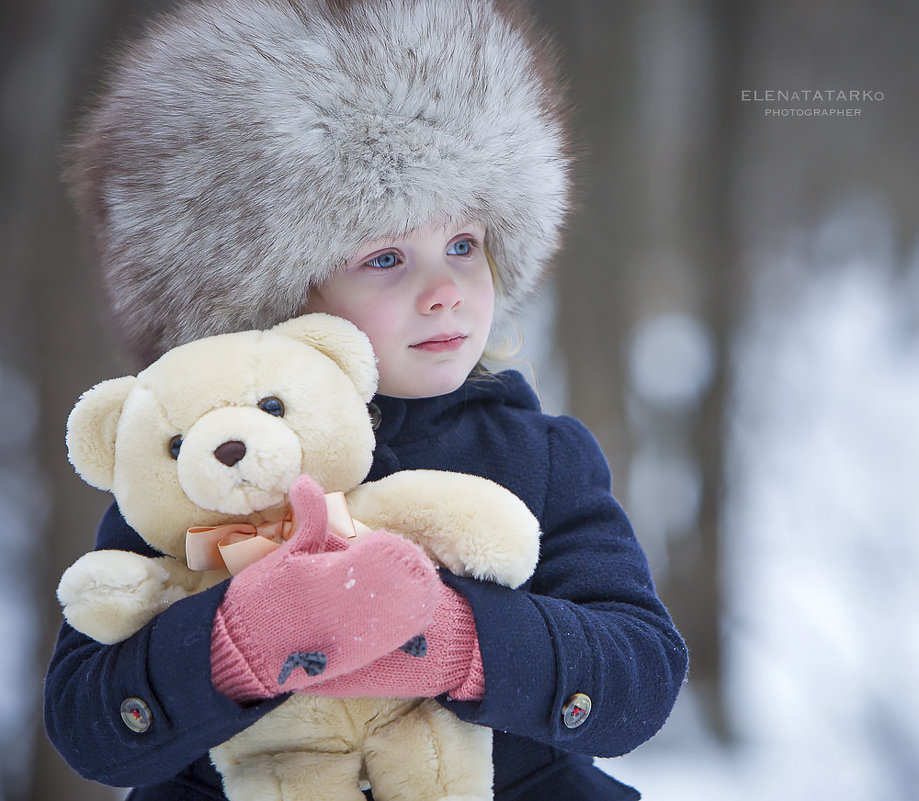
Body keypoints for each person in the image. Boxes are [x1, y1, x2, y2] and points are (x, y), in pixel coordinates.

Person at [45, 1, 688, 799]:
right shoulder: (196, 462)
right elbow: (86, 720)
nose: (445, 291)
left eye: (462, 245)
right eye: (386, 257)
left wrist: (456, 642)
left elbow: (639, 678)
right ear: (273, 294)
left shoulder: (539, 454)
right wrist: (236, 642)